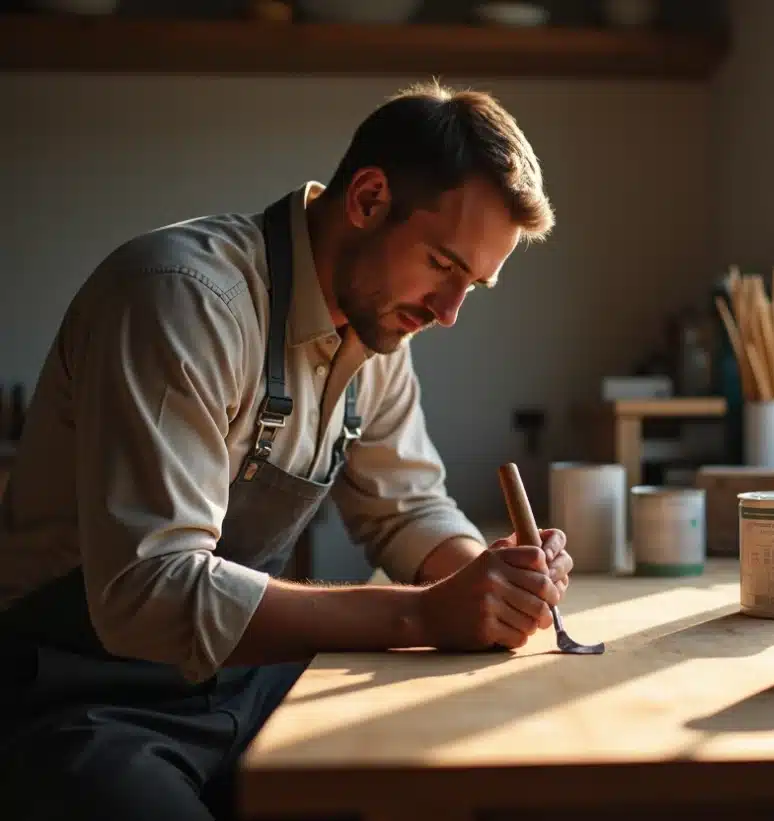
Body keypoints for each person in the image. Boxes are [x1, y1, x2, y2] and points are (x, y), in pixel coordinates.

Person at [0, 80, 570, 820]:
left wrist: (494, 582)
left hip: (245, 679)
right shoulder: (183, 299)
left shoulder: (380, 329)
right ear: (367, 199)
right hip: (81, 695)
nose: (449, 312)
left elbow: (407, 511)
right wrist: (423, 615)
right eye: (443, 265)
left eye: (475, 285)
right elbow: (149, 591)